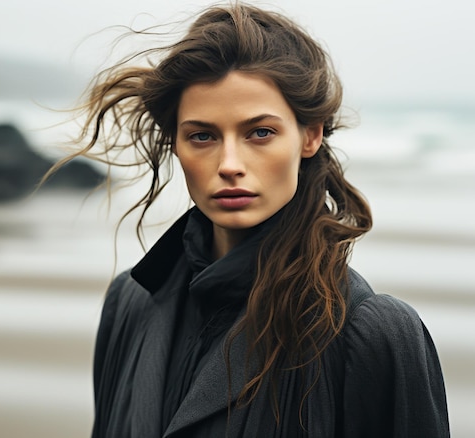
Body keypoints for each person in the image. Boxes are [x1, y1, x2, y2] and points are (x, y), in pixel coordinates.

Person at [50, 3, 449, 437]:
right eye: (202, 135)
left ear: (310, 135)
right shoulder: (129, 301)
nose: (229, 164)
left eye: (260, 132)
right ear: (176, 145)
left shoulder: (370, 332)